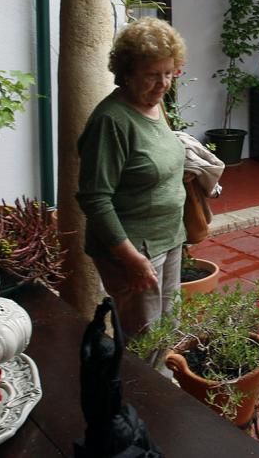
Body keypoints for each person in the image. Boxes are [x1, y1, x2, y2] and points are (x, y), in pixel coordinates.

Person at [76, 18, 187, 345]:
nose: (163, 83)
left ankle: (164, 394)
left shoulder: (155, 105)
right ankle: (142, 396)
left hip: (168, 238)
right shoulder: (111, 121)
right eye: (153, 74)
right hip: (135, 249)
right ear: (126, 73)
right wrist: (130, 259)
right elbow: (94, 198)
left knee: (168, 330)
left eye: (169, 73)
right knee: (146, 342)